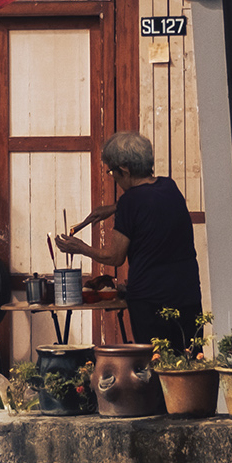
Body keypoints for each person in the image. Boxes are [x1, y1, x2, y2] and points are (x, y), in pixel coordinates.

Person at [53, 130, 202, 344]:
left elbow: (115, 257)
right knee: (189, 362)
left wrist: (81, 247)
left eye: (112, 173)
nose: (113, 178)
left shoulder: (130, 202)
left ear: (124, 170)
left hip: (151, 301)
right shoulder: (169, 186)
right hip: (187, 295)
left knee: (155, 364)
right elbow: (149, 201)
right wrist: (114, 208)